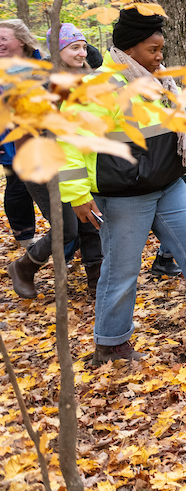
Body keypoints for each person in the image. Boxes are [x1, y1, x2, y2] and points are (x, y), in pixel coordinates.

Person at [59, 0, 186, 363]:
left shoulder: (158, 81)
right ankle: (111, 344)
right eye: (153, 50)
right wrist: (76, 194)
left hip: (169, 184)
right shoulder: (98, 87)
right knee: (121, 269)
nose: (158, 56)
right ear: (129, 49)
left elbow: (166, 123)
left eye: (161, 50)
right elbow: (70, 143)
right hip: (123, 194)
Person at [7, 24, 104, 298]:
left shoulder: (86, 78)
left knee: (90, 218)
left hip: (77, 162)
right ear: (56, 51)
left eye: (84, 46)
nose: (82, 52)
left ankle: (97, 281)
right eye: (74, 47)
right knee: (66, 227)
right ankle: (24, 267)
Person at [0, 19, 43, 249]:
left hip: (43, 136)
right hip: (9, 141)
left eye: (3, 38)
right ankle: (26, 237)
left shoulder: (40, 62)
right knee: (17, 185)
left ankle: (66, 236)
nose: (0, 44)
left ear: (21, 41)